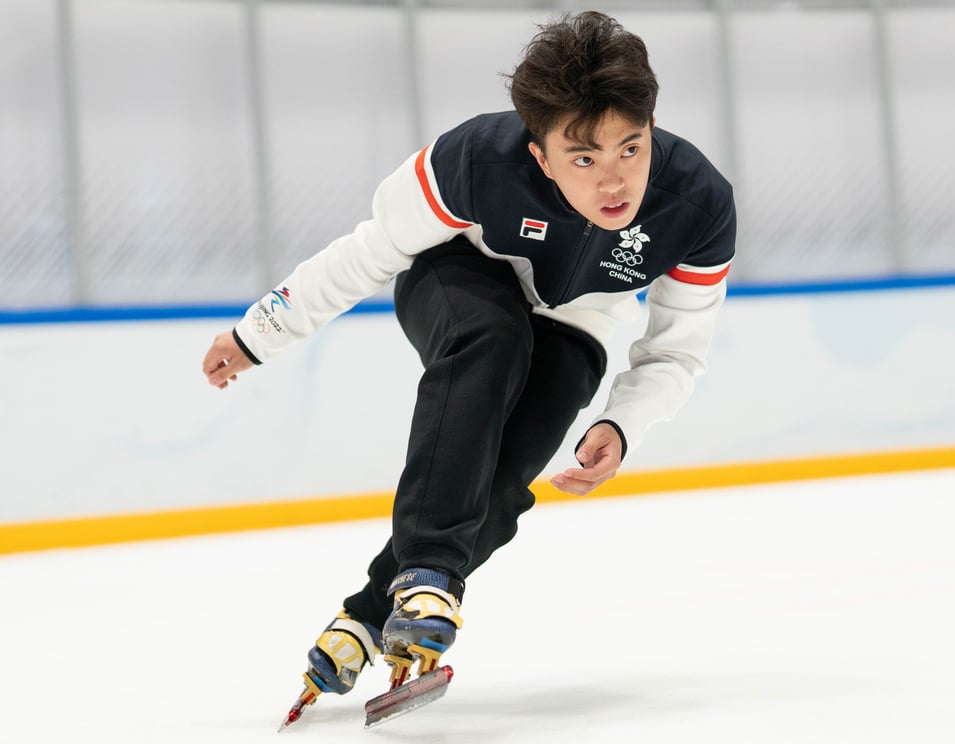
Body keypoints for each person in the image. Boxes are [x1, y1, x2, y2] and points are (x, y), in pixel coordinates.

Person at [202, 10, 735, 708]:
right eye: (584, 158)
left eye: (631, 149)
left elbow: (676, 348)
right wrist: (255, 334)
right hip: (458, 276)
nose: (614, 182)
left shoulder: (695, 204)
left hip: (576, 319)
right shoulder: (473, 164)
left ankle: (366, 616)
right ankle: (428, 574)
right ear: (538, 155)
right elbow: (364, 256)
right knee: (491, 340)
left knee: (511, 476)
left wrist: (623, 422)